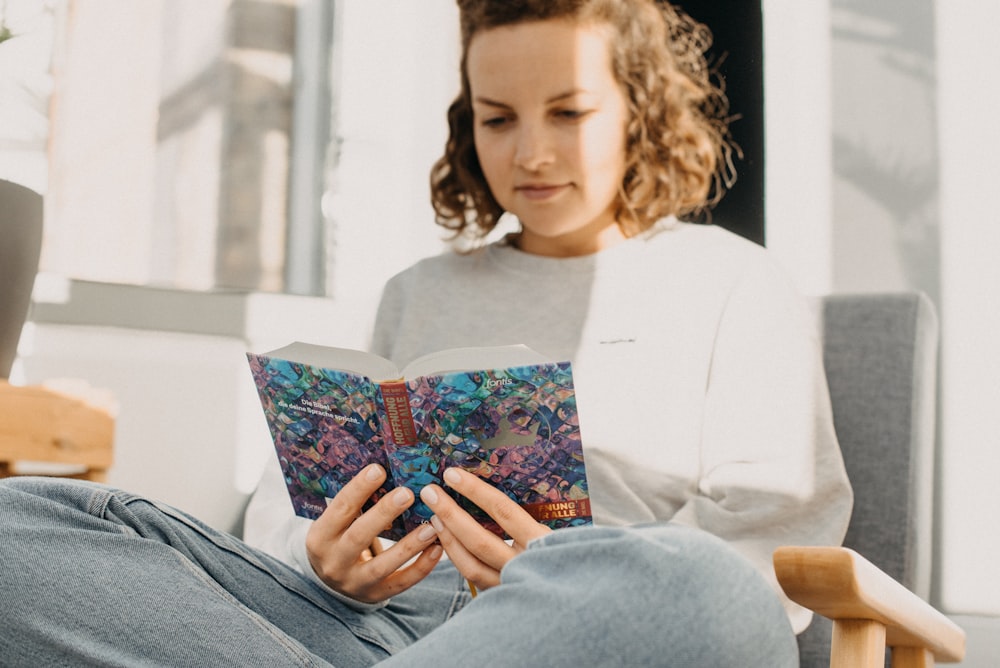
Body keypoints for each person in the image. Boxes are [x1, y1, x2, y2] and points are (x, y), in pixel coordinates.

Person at [0, 1, 852, 665]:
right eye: (497, 118)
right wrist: (322, 556)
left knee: (711, 595)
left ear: (640, 112)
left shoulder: (733, 281)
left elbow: (774, 547)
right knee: (16, 521)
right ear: (466, 124)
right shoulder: (418, 293)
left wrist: (565, 568)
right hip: (353, 632)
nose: (532, 154)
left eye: (569, 113)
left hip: (586, 638)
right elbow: (277, 515)